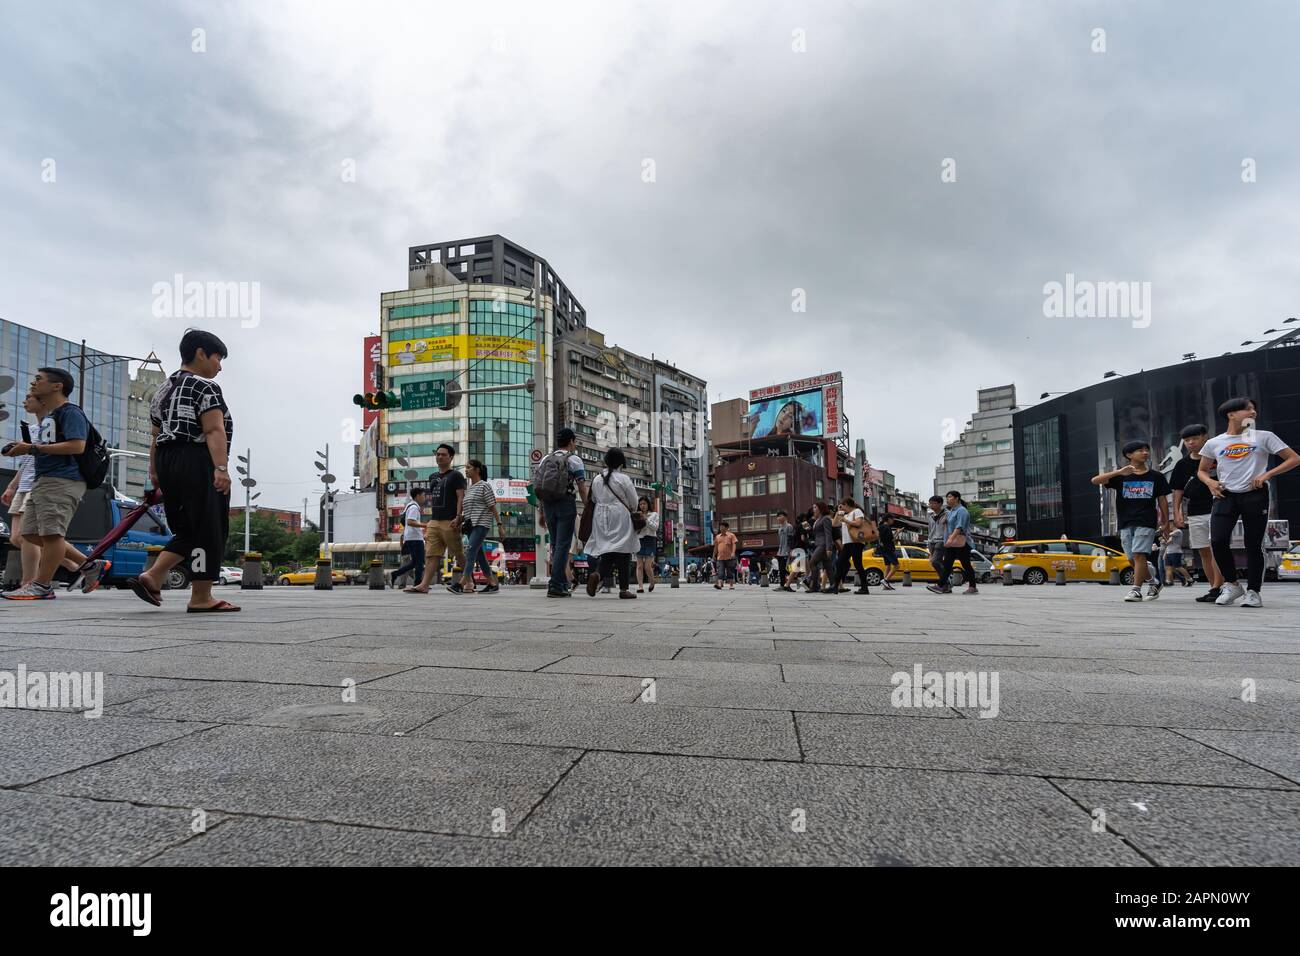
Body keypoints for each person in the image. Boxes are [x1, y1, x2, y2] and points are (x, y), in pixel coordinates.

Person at [123, 330, 237, 611]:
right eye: (218, 358)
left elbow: (154, 434)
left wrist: (155, 470)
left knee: (188, 527)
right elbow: (213, 428)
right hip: (196, 458)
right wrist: (221, 468)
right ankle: (201, 597)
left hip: (166, 460)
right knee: (209, 527)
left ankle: (153, 576)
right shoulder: (204, 386)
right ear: (200, 353)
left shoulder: (163, 388)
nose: (219, 366)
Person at [1, 369, 95, 602]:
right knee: (29, 533)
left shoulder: (70, 412)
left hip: (63, 479)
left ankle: (41, 585)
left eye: (38, 379)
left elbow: (77, 446)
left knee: (52, 533)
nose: (33, 383)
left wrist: (32, 448)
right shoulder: (50, 417)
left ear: (57, 386)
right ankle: (90, 564)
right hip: (43, 480)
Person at [1199, 397, 1299, 608]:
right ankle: (1232, 585)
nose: (1253, 413)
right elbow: (1201, 471)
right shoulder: (1214, 442)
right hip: (1224, 495)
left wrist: (1267, 475)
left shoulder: (1264, 437)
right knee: (1217, 540)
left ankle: (1253, 591)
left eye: (1254, 409)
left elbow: (1294, 458)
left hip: (1255, 494)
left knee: (1253, 544)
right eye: (1247, 409)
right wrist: (1210, 482)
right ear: (1231, 414)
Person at [1091, 440, 1171, 602]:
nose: (1145, 453)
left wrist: (1165, 521)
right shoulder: (1121, 477)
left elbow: (1162, 500)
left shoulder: (1156, 476)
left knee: (1138, 555)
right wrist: (1119, 472)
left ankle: (1136, 590)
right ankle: (1153, 582)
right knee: (1131, 558)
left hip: (1146, 521)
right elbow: (1095, 480)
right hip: (1125, 522)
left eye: (1146, 450)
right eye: (1140, 450)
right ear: (1129, 455)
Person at [1171, 423, 1225, 602]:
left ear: (1205, 437)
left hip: (1219, 508)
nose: (1191, 443)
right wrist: (1177, 513)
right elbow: (1177, 490)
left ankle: (1219, 587)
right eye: (1187, 440)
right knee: (1203, 552)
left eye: (1194, 438)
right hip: (1194, 512)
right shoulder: (1182, 464)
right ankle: (1213, 588)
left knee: (1216, 548)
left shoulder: (1218, 457)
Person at [404, 443, 467, 594]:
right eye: (438, 454)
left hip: (450, 521)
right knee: (431, 554)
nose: (439, 457)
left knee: (458, 553)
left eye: (443, 454)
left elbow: (460, 497)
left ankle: (469, 581)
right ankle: (424, 585)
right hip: (434, 520)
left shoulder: (456, 475)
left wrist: (459, 517)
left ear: (451, 457)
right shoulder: (433, 477)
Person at [536, 427, 588, 598]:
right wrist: (588, 507)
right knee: (563, 545)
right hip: (566, 503)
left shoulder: (545, 459)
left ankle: (561, 583)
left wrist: (542, 512)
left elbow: (541, 487)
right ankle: (556, 585)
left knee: (555, 544)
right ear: (571, 441)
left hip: (549, 504)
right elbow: (581, 487)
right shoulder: (574, 460)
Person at [583, 448, 639, 599]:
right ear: (621, 462)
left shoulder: (596, 479)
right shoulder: (623, 479)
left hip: (600, 516)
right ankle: (624, 589)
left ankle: (597, 574)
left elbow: (593, 500)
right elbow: (634, 503)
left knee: (609, 550)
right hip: (620, 514)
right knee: (624, 551)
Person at [459, 459, 505, 594]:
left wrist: (500, 525)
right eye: (466, 467)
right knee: (479, 555)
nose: (466, 470)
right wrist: (458, 520)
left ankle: (462, 582)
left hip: (481, 524)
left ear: (477, 470)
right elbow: (468, 511)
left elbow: (492, 507)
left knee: (470, 551)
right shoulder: (469, 489)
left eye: (469, 467)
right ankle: (492, 583)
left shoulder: (484, 486)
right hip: (470, 526)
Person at [929, 490, 978, 595]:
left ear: (957, 498)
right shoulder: (951, 511)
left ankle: (973, 587)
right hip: (952, 543)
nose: (948, 499)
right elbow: (951, 523)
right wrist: (946, 522)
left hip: (961, 543)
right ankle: (941, 585)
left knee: (966, 565)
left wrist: (951, 538)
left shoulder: (962, 511)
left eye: (950, 497)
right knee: (947, 564)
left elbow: (960, 526)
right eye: (947, 497)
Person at [830, 496, 870, 594]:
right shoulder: (845, 515)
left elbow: (858, 523)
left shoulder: (857, 511)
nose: (841, 507)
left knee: (858, 565)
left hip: (856, 542)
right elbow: (834, 524)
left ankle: (864, 588)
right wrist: (838, 512)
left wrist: (845, 520)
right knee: (839, 563)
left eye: (842, 505)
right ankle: (835, 586)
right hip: (847, 543)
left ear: (846, 505)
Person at [390, 488, 427, 588]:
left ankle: (395, 574)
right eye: (423, 495)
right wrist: (425, 525)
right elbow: (410, 521)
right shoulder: (414, 507)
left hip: (410, 538)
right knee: (419, 563)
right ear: (418, 496)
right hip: (415, 539)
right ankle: (418, 584)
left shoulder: (409, 506)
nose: (425, 497)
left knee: (414, 563)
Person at [807, 502, 836, 593]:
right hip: (819, 544)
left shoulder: (826, 519)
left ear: (821, 508)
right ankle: (833, 585)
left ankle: (815, 586)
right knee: (828, 566)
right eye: (813, 507)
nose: (813, 509)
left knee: (812, 563)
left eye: (815, 507)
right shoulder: (818, 519)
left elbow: (828, 534)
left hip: (823, 545)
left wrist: (829, 548)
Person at [633, 496, 660, 593]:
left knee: (647, 566)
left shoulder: (654, 515)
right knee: (639, 565)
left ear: (648, 504)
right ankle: (640, 586)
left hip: (650, 539)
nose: (642, 506)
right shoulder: (636, 514)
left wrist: (645, 519)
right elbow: (634, 529)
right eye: (640, 504)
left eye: (644, 504)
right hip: (639, 539)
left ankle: (652, 582)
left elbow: (655, 528)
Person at [925, 495, 948, 578]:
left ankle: (945, 581)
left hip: (941, 541)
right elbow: (930, 530)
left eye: (933, 503)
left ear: (940, 504)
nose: (931, 505)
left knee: (935, 562)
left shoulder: (947, 514)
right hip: (931, 542)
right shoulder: (931, 516)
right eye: (930, 503)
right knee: (938, 563)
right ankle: (945, 582)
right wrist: (929, 542)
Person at [877, 513, 900, 590]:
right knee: (896, 565)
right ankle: (885, 580)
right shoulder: (887, 527)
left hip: (882, 549)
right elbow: (891, 540)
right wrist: (897, 533)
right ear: (889, 519)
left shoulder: (880, 527)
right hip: (888, 549)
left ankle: (885, 586)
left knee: (888, 566)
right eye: (892, 519)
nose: (893, 521)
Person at [713, 521, 738, 590]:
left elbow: (734, 544)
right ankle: (720, 585)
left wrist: (733, 552)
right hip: (720, 558)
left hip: (729, 557)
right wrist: (713, 555)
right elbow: (715, 547)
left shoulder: (731, 535)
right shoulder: (717, 537)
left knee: (730, 571)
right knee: (720, 572)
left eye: (722, 527)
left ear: (726, 528)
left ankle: (731, 585)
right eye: (720, 527)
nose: (721, 528)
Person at [774, 510, 795, 591]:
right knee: (781, 569)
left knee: (787, 568)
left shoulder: (789, 526)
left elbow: (791, 539)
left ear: (785, 517)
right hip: (780, 552)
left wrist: (790, 551)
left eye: (780, 516)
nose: (778, 518)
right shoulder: (780, 528)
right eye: (777, 516)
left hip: (787, 551)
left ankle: (787, 585)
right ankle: (782, 585)